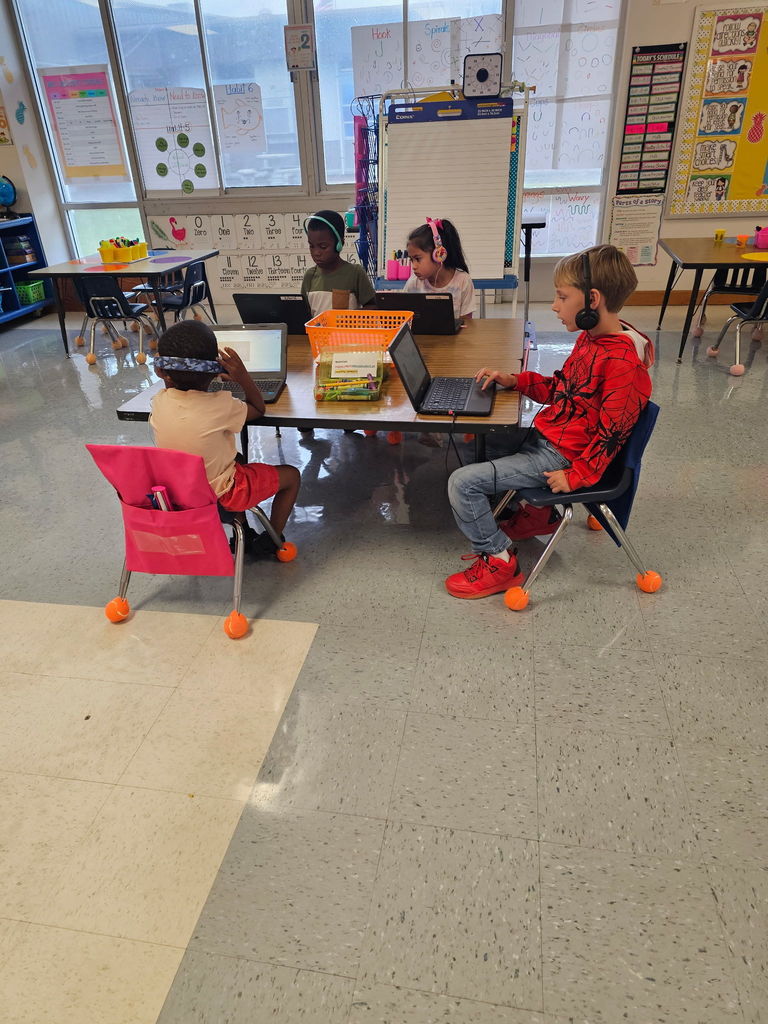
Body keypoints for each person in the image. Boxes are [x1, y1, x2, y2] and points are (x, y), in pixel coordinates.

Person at [444, 244, 653, 600]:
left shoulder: (621, 362)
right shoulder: (592, 339)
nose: (554, 306)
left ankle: (499, 559)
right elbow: (563, 388)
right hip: (550, 437)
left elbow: (613, 433)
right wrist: (516, 380)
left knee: (462, 484)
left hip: (564, 457)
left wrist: (577, 476)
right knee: (478, 440)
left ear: (592, 300)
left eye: (561, 297)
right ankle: (536, 514)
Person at [149, 320, 300, 557]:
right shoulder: (221, 405)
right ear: (216, 370)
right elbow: (258, 408)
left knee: (235, 458)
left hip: (181, 495)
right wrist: (243, 378)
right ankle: (272, 539)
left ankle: (242, 534)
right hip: (224, 495)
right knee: (292, 475)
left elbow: (169, 381)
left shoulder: (159, 402)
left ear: (161, 371)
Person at [301, 209, 376, 317]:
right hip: (317, 334)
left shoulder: (355, 273)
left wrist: (349, 319)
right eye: (311, 246)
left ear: (339, 244)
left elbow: (373, 307)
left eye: (323, 247)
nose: (316, 252)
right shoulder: (309, 276)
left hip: (346, 334)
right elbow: (304, 314)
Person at [404, 218, 476, 319]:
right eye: (411, 260)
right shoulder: (413, 283)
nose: (414, 266)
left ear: (438, 255)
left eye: (417, 259)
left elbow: (467, 323)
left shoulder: (463, 281)